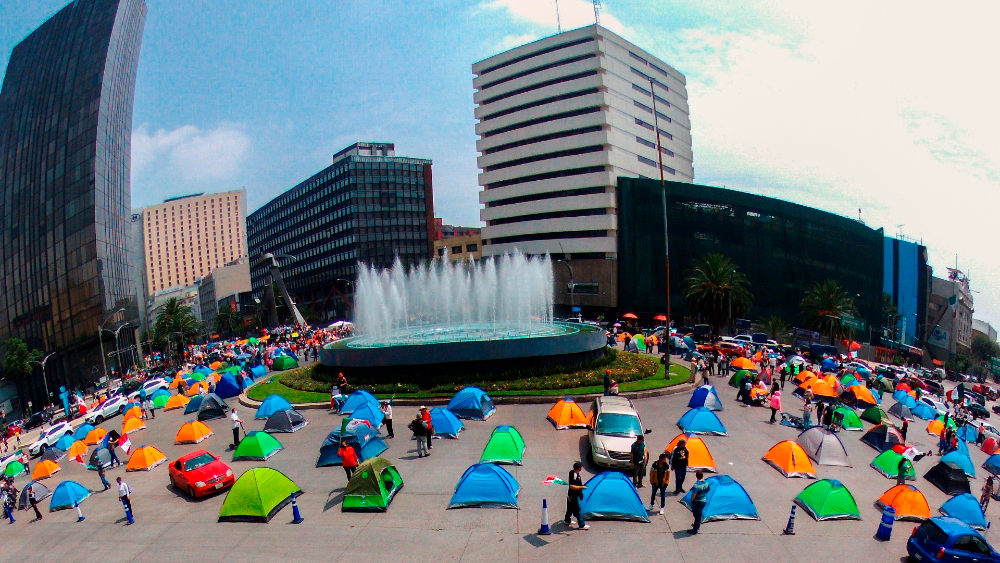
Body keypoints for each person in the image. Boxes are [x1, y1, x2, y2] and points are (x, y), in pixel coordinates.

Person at [564, 461, 589, 530]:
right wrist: (582, 487)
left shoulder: (572, 472)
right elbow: (572, 486)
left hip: (571, 495)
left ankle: (567, 520)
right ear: (579, 468)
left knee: (570, 508)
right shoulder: (575, 476)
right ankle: (581, 524)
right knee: (577, 510)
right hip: (574, 495)